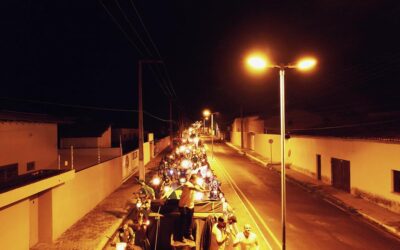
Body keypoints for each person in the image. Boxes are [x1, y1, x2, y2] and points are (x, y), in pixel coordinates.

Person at [178, 174, 208, 242]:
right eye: (195, 180)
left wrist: (202, 188)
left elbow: (197, 185)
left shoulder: (194, 184)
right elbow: (194, 188)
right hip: (183, 206)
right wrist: (202, 191)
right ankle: (181, 236)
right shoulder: (187, 184)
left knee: (189, 221)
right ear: (191, 179)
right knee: (183, 222)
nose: (196, 182)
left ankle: (188, 234)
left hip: (190, 206)